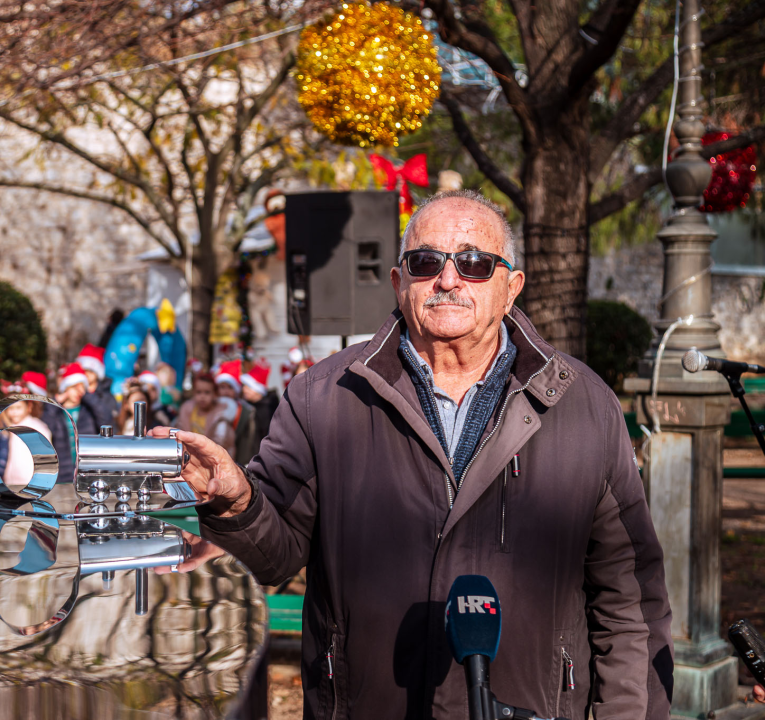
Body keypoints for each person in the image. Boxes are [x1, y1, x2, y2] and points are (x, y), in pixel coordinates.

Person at [152, 190, 672, 719]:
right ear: (400, 282)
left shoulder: (584, 404)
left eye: (474, 263)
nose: (449, 280)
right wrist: (237, 502)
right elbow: (275, 557)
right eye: (427, 262)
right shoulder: (323, 397)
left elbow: (629, 602)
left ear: (510, 287)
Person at [42, 363, 103, 484]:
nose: (78, 391)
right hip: (61, 475)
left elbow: (105, 417)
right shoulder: (56, 412)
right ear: (66, 387)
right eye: (74, 387)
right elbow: (45, 428)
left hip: (88, 474)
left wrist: (87, 395)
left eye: (82, 387)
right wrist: (56, 402)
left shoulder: (88, 410)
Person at [0, 379, 53, 487]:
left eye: (18, 407)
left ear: (29, 407)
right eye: (10, 408)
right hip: (10, 483)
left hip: (32, 482)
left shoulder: (38, 427)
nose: (14, 412)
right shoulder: (6, 428)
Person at [176, 373, 236, 458]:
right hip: (189, 457)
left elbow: (222, 445)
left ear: (215, 394)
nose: (202, 397)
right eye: (199, 392)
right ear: (193, 392)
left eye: (207, 393)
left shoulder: (220, 417)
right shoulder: (187, 411)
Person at [215, 360, 256, 464]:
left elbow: (247, 442)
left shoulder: (245, 412)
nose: (226, 391)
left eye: (230, 388)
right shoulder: (212, 408)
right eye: (222, 387)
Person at [239, 359, 278, 453]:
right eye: (244, 386)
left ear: (258, 390)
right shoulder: (247, 405)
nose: (244, 390)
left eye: (248, 387)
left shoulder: (266, 410)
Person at [75, 344, 120, 426]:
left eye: (91, 371)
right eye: (84, 370)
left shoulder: (106, 396)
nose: (87, 374)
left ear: (97, 373)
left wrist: (87, 395)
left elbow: (107, 422)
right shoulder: (74, 391)